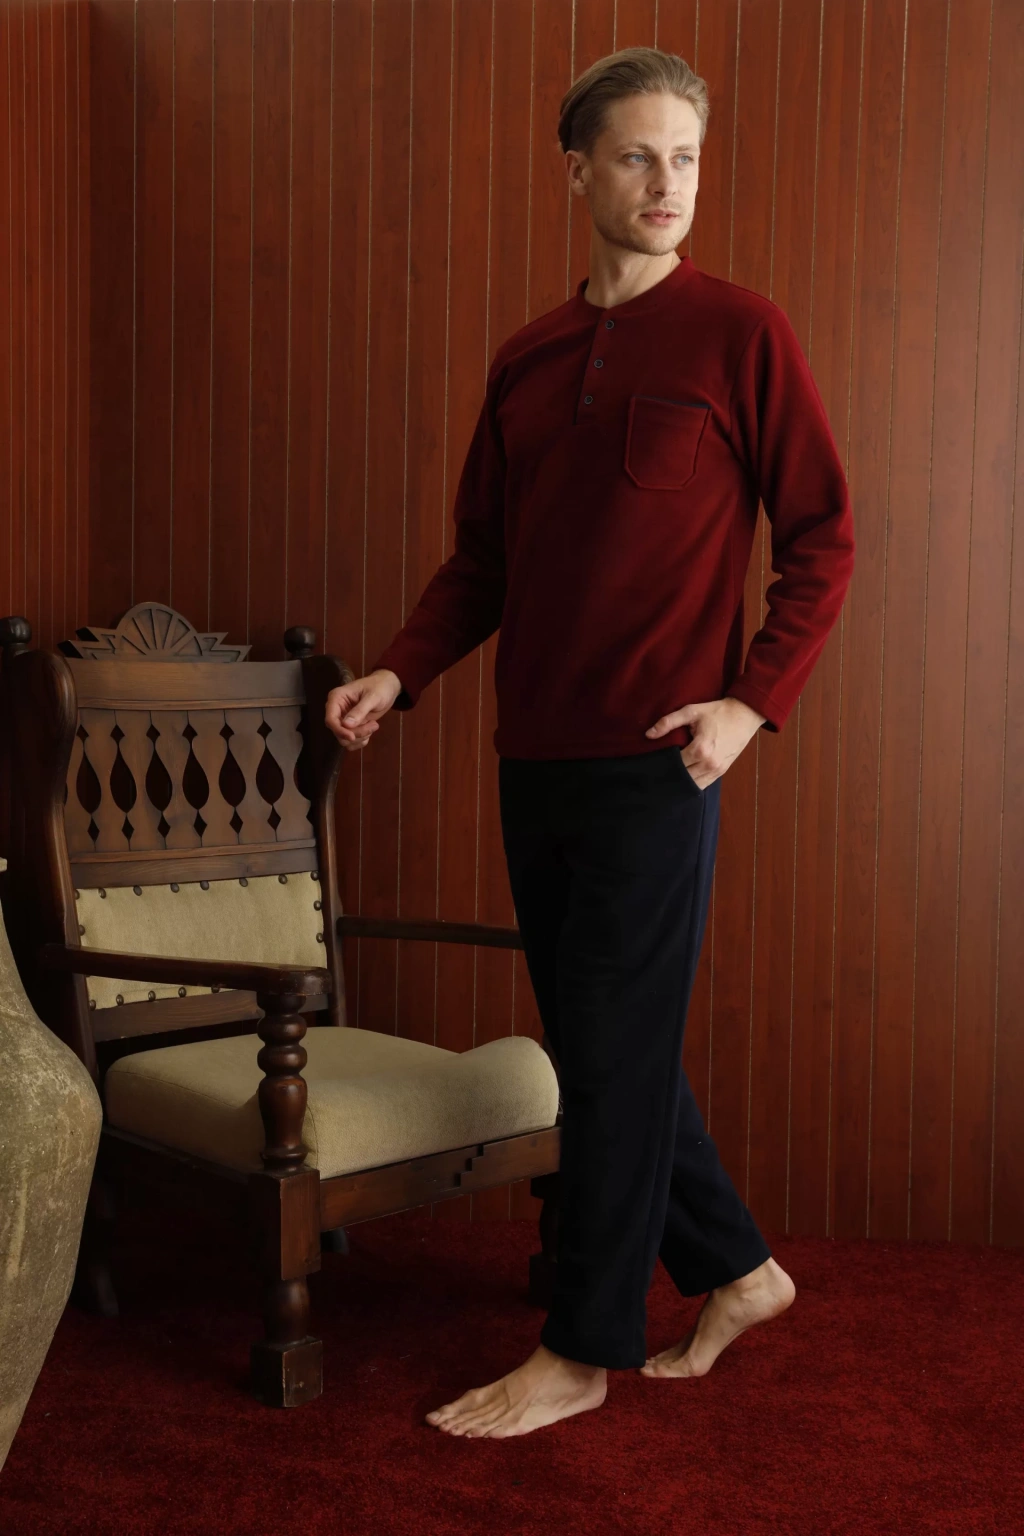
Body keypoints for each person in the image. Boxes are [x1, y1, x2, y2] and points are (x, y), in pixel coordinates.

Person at [325, 46, 854, 1439]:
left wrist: (750, 702)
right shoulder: (528, 357)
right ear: (578, 172)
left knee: (609, 1052)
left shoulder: (742, 333)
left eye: (686, 157)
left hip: (661, 761)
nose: (667, 182)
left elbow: (822, 537)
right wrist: (398, 672)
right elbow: (482, 561)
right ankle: (739, 1270)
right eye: (636, 156)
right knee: (606, 1040)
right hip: (533, 759)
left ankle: (581, 1350)